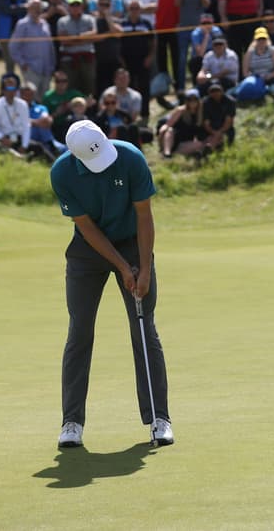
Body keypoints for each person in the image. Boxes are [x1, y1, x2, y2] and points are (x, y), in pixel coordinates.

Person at [50, 120, 173, 449]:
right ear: (76, 158)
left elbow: (144, 215)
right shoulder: (62, 173)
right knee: (80, 331)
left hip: (133, 243)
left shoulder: (130, 158)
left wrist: (143, 267)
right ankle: (71, 422)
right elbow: (86, 228)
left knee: (144, 328)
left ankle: (160, 418)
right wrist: (121, 267)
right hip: (87, 253)